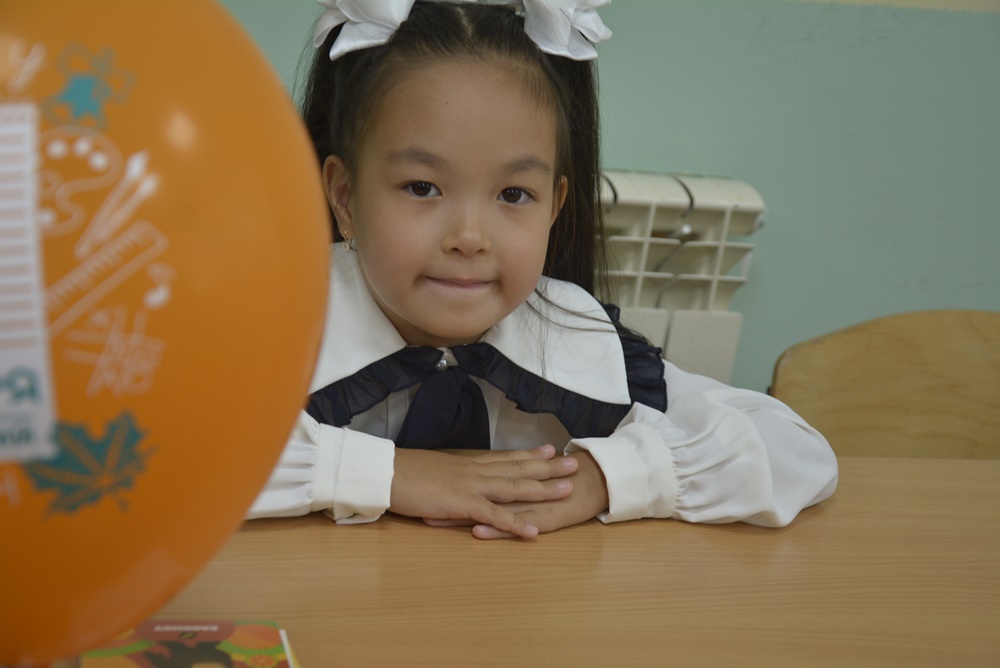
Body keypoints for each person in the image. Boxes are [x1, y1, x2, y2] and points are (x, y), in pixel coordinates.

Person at [248, 0, 838, 539]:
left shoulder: (575, 339)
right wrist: (390, 474)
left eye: (513, 194)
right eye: (422, 187)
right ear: (345, 197)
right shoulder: (276, 327)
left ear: (554, 207)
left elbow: (797, 450)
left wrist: (610, 475)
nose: (470, 238)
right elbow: (190, 452)